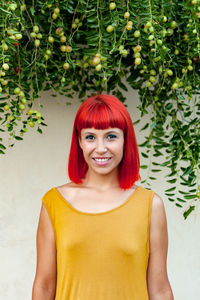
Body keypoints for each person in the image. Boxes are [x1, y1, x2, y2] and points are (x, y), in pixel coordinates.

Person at [32, 94, 174, 300]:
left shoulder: (150, 205)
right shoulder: (54, 203)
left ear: (125, 140)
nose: (100, 148)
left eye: (111, 136)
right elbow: (44, 287)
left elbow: (160, 290)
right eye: (90, 137)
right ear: (79, 141)